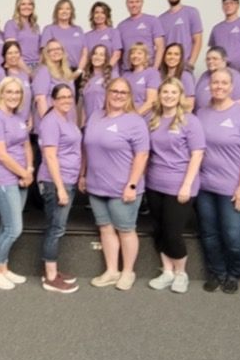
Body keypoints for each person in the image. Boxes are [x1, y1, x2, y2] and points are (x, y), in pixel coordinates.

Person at [195, 68, 240, 293]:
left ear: (231, 87)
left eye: (224, 83)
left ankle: (234, 273)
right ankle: (217, 272)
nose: (219, 87)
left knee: (234, 236)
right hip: (205, 187)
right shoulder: (201, 113)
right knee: (210, 234)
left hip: (235, 188)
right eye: (215, 83)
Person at [82, 76, 149, 290]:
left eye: (123, 92)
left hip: (123, 188)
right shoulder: (95, 116)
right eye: (115, 91)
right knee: (106, 229)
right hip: (96, 185)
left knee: (126, 230)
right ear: (107, 93)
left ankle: (128, 271)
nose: (118, 95)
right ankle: (112, 270)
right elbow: (86, 148)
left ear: (129, 96)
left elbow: (142, 155)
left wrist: (132, 185)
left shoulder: (135, 121)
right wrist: (83, 175)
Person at [145, 77, 204, 294]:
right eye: (165, 92)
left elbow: (197, 154)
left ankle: (181, 273)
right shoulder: (153, 119)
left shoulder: (190, 121)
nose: (168, 96)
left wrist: (186, 185)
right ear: (159, 96)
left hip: (180, 185)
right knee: (159, 230)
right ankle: (167, 271)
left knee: (172, 232)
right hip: (154, 183)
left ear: (180, 96)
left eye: (173, 92)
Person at [0, 76, 34, 290]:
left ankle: (3, 267)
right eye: (10, 92)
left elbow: (26, 145)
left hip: (20, 177)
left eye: (18, 92)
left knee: (7, 225)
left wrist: (29, 169)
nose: (14, 96)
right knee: (14, 228)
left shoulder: (17, 117)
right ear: (1, 93)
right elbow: (2, 155)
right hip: (2, 178)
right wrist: (24, 173)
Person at [37, 84, 82, 293]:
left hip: (69, 179)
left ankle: (53, 270)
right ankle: (50, 277)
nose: (66, 100)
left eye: (69, 96)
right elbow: (50, 156)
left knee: (57, 227)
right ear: (53, 100)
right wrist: (60, 188)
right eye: (61, 97)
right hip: (56, 182)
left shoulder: (67, 119)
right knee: (56, 229)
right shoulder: (51, 122)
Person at [158, 0, 202, 72]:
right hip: (167, 68)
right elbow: (160, 46)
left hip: (184, 67)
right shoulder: (160, 19)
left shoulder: (191, 12)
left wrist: (191, 63)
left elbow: (197, 40)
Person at [32, 40, 78, 129]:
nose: (56, 52)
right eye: (52, 50)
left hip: (68, 123)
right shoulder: (43, 71)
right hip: (53, 125)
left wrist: (74, 127)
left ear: (63, 52)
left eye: (58, 49)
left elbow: (72, 102)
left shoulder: (67, 73)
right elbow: (40, 99)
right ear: (46, 54)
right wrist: (48, 125)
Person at [0, 40, 33, 124]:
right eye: (10, 53)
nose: (13, 55)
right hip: (7, 124)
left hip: (23, 124)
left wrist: (30, 118)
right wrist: (2, 120)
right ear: (4, 55)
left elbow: (27, 99)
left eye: (16, 52)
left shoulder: (24, 74)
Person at [119, 0, 164, 68]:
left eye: (137, 2)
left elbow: (160, 46)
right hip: (127, 71)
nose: (134, 5)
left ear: (142, 3)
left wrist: (155, 68)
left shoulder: (152, 20)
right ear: (127, 4)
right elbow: (120, 52)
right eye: (131, 2)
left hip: (147, 68)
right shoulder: (121, 26)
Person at [40, 0, 87, 71]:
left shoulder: (78, 29)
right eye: (61, 9)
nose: (64, 11)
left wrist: (79, 71)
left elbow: (84, 53)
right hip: (57, 70)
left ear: (71, 12)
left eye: (68, 9)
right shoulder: (49, 29)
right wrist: (56, 71)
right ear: (56, 12)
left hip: (77, 71)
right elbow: (44, 54)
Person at [193, 46, 240, 110]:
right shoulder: (204, 75)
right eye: (208, 59)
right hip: (202, 115)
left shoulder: (234, 76)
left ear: (224, 60)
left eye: (215, 59)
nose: (210, 61)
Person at [79, 43, 117, 126]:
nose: (97, 57)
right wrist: (82, 126)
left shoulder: (112, 76)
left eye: (101, 55)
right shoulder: (86, 77)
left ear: (105, 59)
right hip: (89, 124)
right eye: (95, 54)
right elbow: (84, 106)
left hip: (105, 123)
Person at [3, 0, 42, 70]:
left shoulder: (35, 26)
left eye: (30, 4)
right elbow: (11, 51)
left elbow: (40, 50)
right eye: (23, 4)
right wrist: (27, 71)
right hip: (19, 65)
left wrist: (38, 68)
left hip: (37, 65)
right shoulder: (11, 24)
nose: (26, 7)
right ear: (18, 7)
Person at [122, 41, 160, 116]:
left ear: (146, 56)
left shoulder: (152, 73)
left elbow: (152, 101)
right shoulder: (125, 76)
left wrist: (135, 117)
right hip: (126, 115)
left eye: (139, 53)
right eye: (132, 53)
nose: (135, 56)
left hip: (145, 117)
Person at [85, 1, 123, 68]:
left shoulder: (114, 32)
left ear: (107, 16)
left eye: (103, 13)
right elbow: (86, 57)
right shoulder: (87, 36)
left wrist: (107, 69)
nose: (99, 15)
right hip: (93, 76)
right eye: (96, 12)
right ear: (92, 15)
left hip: (110, 74)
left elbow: (117, 54)